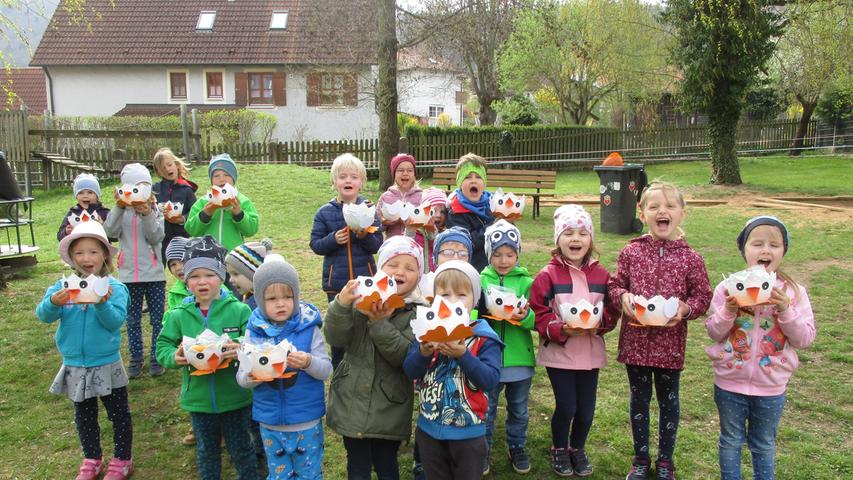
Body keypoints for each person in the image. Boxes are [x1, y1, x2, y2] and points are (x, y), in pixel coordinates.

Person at [608, 181, 712, 480]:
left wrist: (685, 309)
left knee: (669, 402)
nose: (661, 211)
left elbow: (702, 296)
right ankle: (640, 459)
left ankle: (665, 462)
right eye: (654, 206)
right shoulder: (631, 252)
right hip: (636, 343)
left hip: (670, 345)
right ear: (642, 213)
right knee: (639, 401)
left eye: (669, 206)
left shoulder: (691, 258)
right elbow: (615, 286)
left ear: (682, 214)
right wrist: (622, 298)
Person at [705, 216, 815, 480]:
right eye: (757, 244)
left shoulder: (793, 292)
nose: (765, 250)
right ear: (744, 249)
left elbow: (804, 338)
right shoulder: (728, 288)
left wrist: (785, 309)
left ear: (783, 251)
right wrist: (728, 310)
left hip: (771, 386)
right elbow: (714, 331)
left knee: (763, 444)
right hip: (729, 383)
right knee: (730, 441)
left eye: (774, 245)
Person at [36, 221, 133, 480]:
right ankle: (92, 458)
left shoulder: (115, 288)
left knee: (118, 415)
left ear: (104, 255)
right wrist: (52, 303)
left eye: (93, 252)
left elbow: (114, 323)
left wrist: (102, 302)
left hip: (106, 362)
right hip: (75, 363)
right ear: (71, 258)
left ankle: (122, 459)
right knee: (85, 416)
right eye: (79, 253)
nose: (86, 258)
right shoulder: (62, 287)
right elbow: (43, 315)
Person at [155, 236, 258, 480]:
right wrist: (174, 356)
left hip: (235, 396)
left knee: (241, 447)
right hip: (198, 399)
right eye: (194, 276)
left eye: (209, 275)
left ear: (221, 277)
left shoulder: (240, 310)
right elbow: (163, 345)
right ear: (186, 281)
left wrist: (241, 348)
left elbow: (256, 343)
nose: (202, 282)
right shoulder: (178, 315)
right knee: (207, 450)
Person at [324, 236, 425, 480]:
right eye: (393, 264)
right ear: (380, 269)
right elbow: (335, 337)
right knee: (357, 468)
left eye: (410, 268)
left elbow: (404, 356)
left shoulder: (417, 313)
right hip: (352, 402)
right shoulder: (361, 302)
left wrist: (379, 323)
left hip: (389, 407)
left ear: (419, 277)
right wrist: (341, 304)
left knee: (387, 466)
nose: (400, 271)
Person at [530, 205, 619, 477]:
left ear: (591, 239)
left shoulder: (602, 275)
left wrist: (601, 324)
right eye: (568, 233)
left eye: (582, 233)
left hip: (590, 352)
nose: (575, 239)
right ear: (558, 239)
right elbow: (538, 312)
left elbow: (612, 311)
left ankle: (577, 448)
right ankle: (559, 448)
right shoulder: (548, 275)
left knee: (586, 411)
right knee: (567, 406)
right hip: (560, 353)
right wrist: (560, 329)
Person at [403, 260, 502, 480]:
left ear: (475, 300)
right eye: (445, 295)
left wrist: (463, 355)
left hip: (469, 434)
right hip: (429, 429)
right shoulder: (425, 332)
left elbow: (490, 380)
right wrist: (423, 353)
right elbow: (410, 371)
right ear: (434, 299)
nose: (452, 302)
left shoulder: (484, 337)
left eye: (461, 295)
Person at [237, 254, 332, 480]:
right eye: (271, 298)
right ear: (259, 299)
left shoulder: (309, 329)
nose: (281, 303)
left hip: (306, 421)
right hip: (270, 423)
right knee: (279, 475)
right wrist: (254, 377)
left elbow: (326, 370)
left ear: (296, 296)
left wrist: (308, 362)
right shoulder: (254, 331)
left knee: (309, 474)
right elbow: (241, 377)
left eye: (288, 296)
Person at [310, 153, 383, 369]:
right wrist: (333, 239)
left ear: (361, 182)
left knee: (365, 325)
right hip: (337, 283)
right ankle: (339, 367)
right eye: (342, 177)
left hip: (366, 280)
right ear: (334, 182)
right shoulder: (324, 213)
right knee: (340, 328)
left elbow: (377, 243)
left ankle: (366, 367)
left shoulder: (369, 208)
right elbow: (315, 244)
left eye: (353, 176)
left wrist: (364, 236)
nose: (348, 181)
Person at [480, 219, 536, 475]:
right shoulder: (481, 279)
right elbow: (472, 313)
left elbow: (537, 318)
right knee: (487, 408)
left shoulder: (526, 282)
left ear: (517, 254)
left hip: (519, 360)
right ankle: (483, 449)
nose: (504, 260)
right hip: (488, 359)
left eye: (510, 254)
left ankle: (517, 445)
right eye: (498, 254)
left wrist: (525, 316)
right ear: (489, 254)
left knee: (519, 408)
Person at [103, 163, 166, 378]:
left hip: (154, 274)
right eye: (135, 186)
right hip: (129, 275)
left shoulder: (156, 210)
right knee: (132, 319)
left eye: (144, 186)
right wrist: (120, 206)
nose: (139, 190)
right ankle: (136, 358)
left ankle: (157, 357)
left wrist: (147, 213)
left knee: (157, 318)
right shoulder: (121, 212)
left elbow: (156, 236)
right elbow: (109, 231)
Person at [185, 153, 260, 251]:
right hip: (208, 257)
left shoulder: (242, 201)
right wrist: (206, 213)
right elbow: (191, 230)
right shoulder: (203, 202)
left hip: (233, 256)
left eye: (227, 175)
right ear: (211, 180)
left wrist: (239, 214)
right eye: (216, 176)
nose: (221, 179)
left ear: (234, 179)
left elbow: (251, 230)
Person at [446, 153, 493, 270]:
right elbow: (467, 242)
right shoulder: (455, 211)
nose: (473, 181)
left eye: (478, 177)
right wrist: (492, 227)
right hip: (472, 269)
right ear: (460, 184)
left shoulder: (493, 204)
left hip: (496, 267)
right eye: (467, 177)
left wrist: (508, 221)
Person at [152, 147, 197, 262]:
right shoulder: (155, 190)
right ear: (158, 172)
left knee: (184, 266)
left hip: (181, 236)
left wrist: (182, 219)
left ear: (176, 164)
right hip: (160, 237)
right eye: (162, 168)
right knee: (157, 266)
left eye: (169, 165)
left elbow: (195, 214)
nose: (167, 169)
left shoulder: (187, 190)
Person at [57, 173, 111, 241]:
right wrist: (66, 232)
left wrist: (103, 226)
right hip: (78, 249)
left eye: (90, 192)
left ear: (97, 196)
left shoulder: (104, 212)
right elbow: (59, 236)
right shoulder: (73, 213)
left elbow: (114, 236)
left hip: (100, 249)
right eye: (80, 193)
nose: (85, 196)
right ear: (76, 196)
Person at [226, 239, 274, 310]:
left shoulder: (255, 306)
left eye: (235, 274)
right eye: (230, 274)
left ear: (254, 275)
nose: (230, 280)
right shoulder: (250, 298)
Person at [165, 236, 190, 313]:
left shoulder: (212, 284)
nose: (178, 268)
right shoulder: (174, 293)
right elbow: (171, 319)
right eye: (173, 264)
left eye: (182, 261)